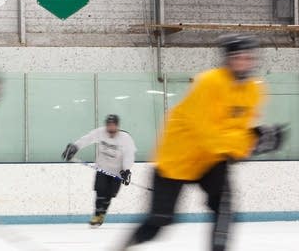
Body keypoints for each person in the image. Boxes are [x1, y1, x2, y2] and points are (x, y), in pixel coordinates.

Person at [120, 34, 286, 251]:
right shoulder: (208, 83)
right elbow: (206, 133)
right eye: (238, 57)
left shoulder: (255, 89)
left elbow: (238, 128)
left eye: (248, 58)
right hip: (178, 157)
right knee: (160, 221)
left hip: (212, 160)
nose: (244, 62)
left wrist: (255, 135)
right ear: (228, 59)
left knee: (224, 209)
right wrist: (249, 144)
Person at [62, 114, 137, 227]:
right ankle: (97, 215)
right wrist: (75, 147)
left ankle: (102, 214)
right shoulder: (101, 132)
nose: (110, 128)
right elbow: (88, 138)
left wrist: (126, 170)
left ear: (117, 126)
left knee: (110, 195)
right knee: (100, 191)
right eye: (108, 125)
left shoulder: (125, 138)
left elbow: (129, 155)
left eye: (113, 125)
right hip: (102, 168)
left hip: (117, 171)